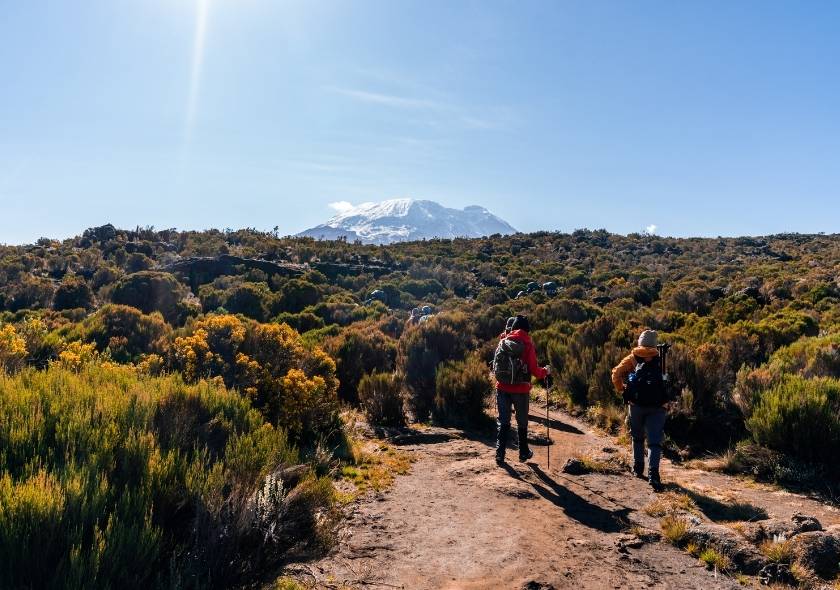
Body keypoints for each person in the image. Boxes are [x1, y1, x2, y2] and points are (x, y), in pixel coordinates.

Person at [611, 329, 666, 488]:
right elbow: (666, 382)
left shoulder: (632, 357)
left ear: (640, 342)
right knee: (655, 441)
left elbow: (615, 374)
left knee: (637, 436)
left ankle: (638, 467)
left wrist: (624, 390)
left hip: (636, 406)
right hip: (657, 406)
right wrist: (664, 400)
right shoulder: (661, 358)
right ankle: (653, 474)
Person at [494, 315, 550, 465]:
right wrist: (545, 371)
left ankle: (500, 453)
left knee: (504, 421)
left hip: (502, 387)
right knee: (522, 422)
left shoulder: (503, 341)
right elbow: (534, 370)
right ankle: (523, 452)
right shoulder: (527, 344)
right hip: (521, 389)